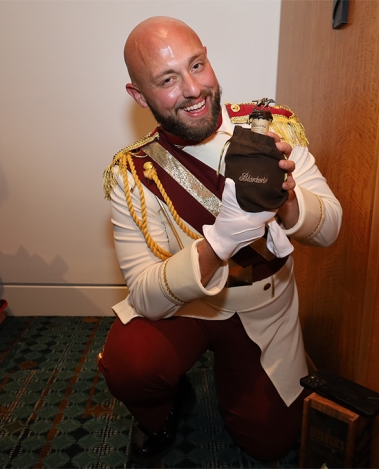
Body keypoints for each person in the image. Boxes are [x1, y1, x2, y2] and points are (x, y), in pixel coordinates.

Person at [97, 16, 342, 464]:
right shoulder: (134, 172)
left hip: (263, 308)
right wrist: (220, 243)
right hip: (187, 309)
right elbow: (146, 295)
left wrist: (287, 201)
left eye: (197, 65)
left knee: (271, 444)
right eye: (167, 80)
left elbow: (330, 231)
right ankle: (161, 413)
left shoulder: (274, 130)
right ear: (139, 95)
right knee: (131, 365)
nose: (193, 89)